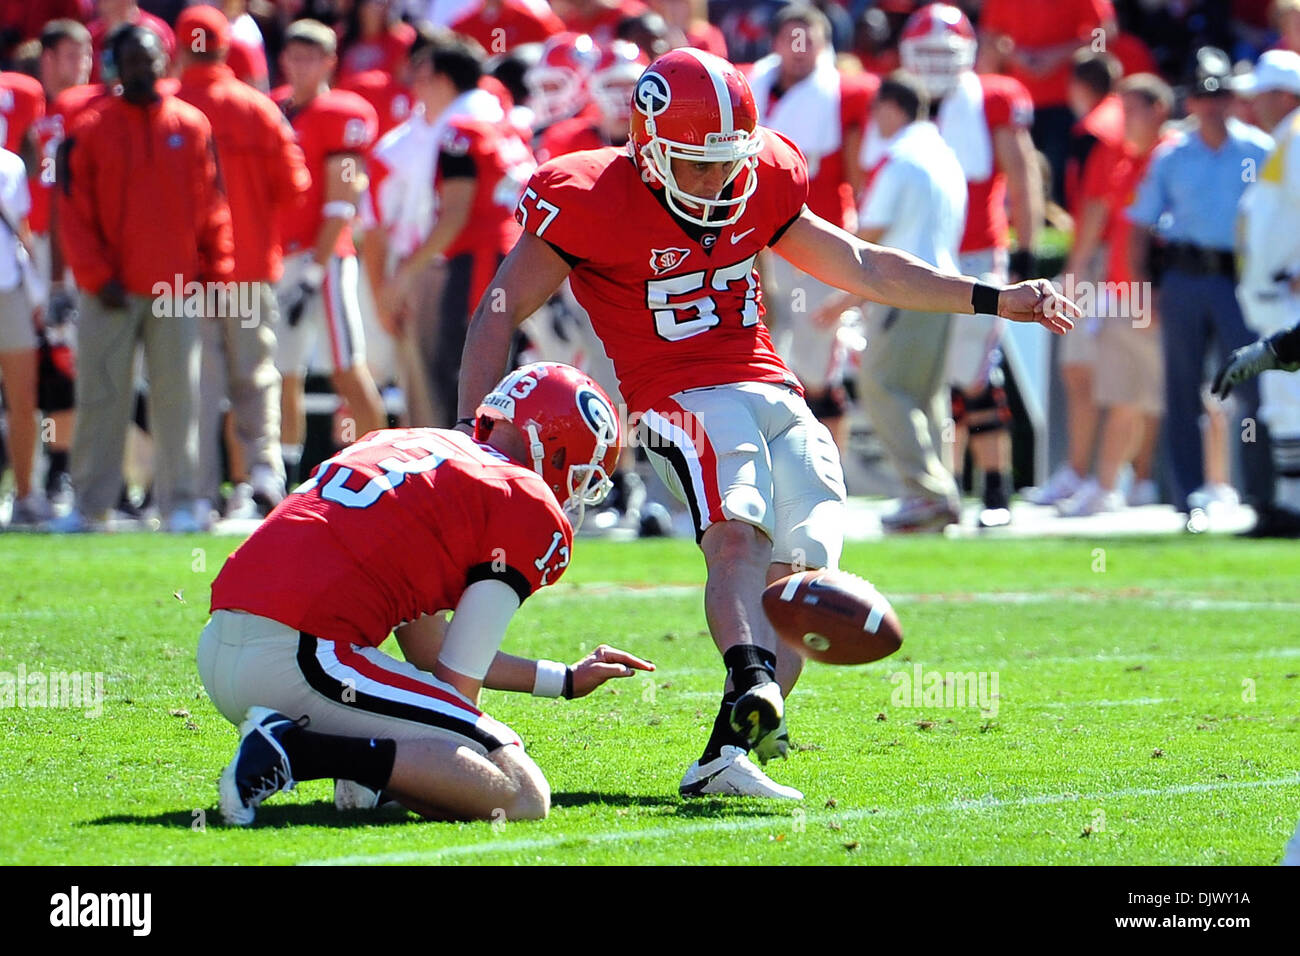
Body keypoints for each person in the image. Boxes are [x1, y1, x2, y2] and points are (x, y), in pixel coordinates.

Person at [456, 48, 1077, 799]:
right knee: (737, 530)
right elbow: (498, 311)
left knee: (805, 574)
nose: (717, 180)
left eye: (727, 161)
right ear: (649, 149)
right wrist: (472, 433)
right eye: (696, 164)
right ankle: (750, 680)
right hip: (677, 395)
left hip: (772, 388)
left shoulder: (766, 174)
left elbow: (866, 265)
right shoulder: (588, 195)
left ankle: (727, 753)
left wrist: (993, 296)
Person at [202, 361, 652, 824]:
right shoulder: (523, 500)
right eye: (580, 475)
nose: (573, 493)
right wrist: (456, 765)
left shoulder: (409, 446)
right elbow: (458, 684)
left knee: (440, 762)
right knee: (520, 794)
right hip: (304, 659)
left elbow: (430, 650)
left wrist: (565, 680)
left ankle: (360, 763)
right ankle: (297, 751)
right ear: (555, 453)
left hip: (223, 648)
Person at [54, 24, 233, 533]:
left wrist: (216, 274)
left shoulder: (193, 126)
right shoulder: (89, 127)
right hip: (107, 290)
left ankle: (179, 502)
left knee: (178, 399)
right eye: (132, 60)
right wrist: (94, 275)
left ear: (166, 62)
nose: (142, 69)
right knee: (100, 397)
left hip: (174, 287)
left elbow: (214, 209)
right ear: (116, 65)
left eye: (150, 59)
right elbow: (72, 211)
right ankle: (90, 506)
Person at [897, 3, 1043, 528]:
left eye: (945, 52)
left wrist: (1026, 248)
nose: (936, 63)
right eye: (926, 52)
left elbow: (1022, 171)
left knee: (975, 374)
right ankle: (943, 489)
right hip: (914, 258)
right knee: (925, 379)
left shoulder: (994, 99)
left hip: (978, 255)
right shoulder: (893, 100)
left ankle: (997, 490)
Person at [175, 5, 311, 522]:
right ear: (228, 49)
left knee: (199, 385)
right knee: (255, 379)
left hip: (184, 277)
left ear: (181, 49)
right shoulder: (257, 107)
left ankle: (198, 492)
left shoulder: (169, 106)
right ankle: (261, 481)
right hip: (251, 269)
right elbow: (295, 187)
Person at [1127, 45, 1274, 515]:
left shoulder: (1258, 149)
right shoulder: (1172, 156)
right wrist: (1144, 291)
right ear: (1189, 102)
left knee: (1253, 383)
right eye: (1204, 96)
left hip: (1239, 280)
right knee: (1182, 386)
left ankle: (1261, 492)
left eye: (1222, 95)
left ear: (1234, 99)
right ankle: (1187, 493)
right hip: (1185, 278)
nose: (1213, 105)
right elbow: (1139, 225)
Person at [817, 70, 967, 532]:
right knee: (924, 397)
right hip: (943, 288)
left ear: (891, 106)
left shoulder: (901, 161)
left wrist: (840, 298)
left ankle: (930, 493)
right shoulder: (945, 157)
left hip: (904, 292)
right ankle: (934, 493)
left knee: (883, 388)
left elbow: (869, 243)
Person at [376, 34, 535, 426]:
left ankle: (465, 475)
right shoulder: (498, 118)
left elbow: (454, 215)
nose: (414, 87)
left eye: (422, 77)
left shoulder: (461, 130)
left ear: (444, 80)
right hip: (513, 255)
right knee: (494, 373)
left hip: (478, 258)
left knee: (466, 377)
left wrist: (403, 276)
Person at [747, 4, 874, 453]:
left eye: (809, 41)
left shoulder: (842, 94)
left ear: (825, 46)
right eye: (791, 41)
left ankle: (829, 469)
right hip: (755, 246)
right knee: (765, 365)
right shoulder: (753, 86)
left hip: (816, 241)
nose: (799, 52)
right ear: (775, 43)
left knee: (818, 368)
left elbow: (858, 175)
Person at [272, 19, 387, 486]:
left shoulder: (342, 112)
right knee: (283, 370)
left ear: (329, 62)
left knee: (345, 366)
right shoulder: (277, 109)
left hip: (327, 256)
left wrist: (315, 269)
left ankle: (385, 465)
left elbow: (343, 198)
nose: (301, 66)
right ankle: (284, 474)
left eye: (311, 57)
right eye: (295, 56)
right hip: (282, 256)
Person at [1049, 51, 1125, 514]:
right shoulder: (1118, 123)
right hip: (1118, 263)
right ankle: (1116, 476)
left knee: (1082, 371)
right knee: (1113, 374)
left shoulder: (1095, 129)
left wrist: (1074, 271)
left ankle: (1083, 474)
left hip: (1098, 263)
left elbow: (1096, 204)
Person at [1230, 49, 1300, 536]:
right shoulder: (1286, 138)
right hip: (1276, 295)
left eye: (1261, 94)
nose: (1253, 104)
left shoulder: (1296, 137)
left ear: (1283, 93)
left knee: (1289, 397)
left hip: (1289, 296)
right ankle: (1287, 501)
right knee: (1282, 399)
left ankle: (1292, 505)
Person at [0, 145, 43, 527]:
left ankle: (26, 494)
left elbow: (22, 228)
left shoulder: (9, 164)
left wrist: (37, 294)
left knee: (22, 397)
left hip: (8, 288)